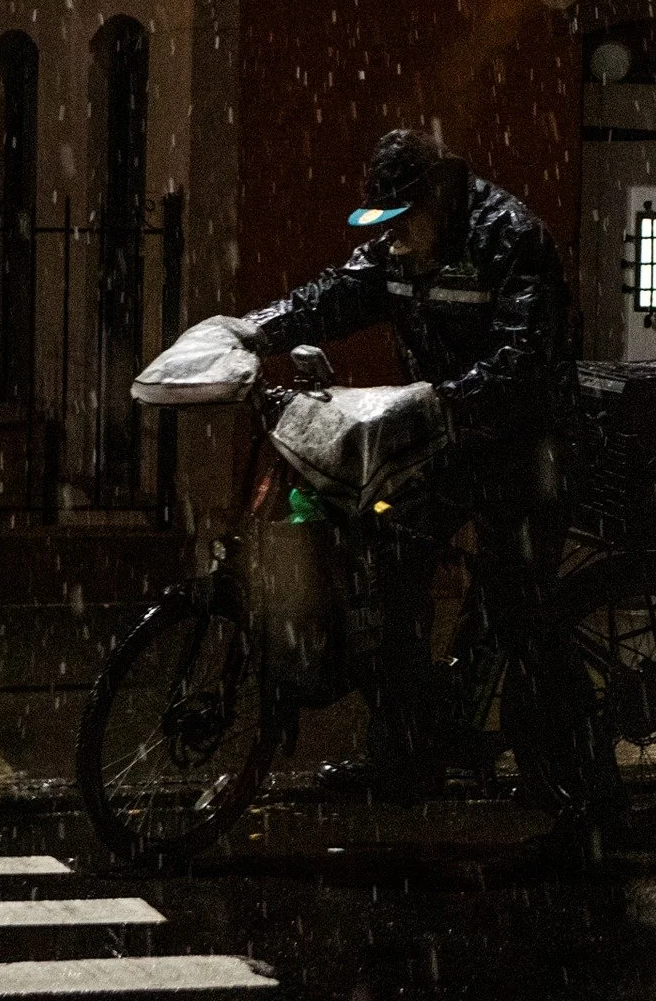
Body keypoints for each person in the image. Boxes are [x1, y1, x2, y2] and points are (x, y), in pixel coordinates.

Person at [237, 129, 612, 811]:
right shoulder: (398, 246)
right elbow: (335, 295)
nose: (389, 237)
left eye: (400, 220)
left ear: (437, 197)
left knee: (522, 609)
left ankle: (588, 796)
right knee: (388, 563)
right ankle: (408, 754)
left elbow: (523, 359)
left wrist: (441, 401)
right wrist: (253, 331)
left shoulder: (511, 237)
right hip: (446, 441)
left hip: (528, 443)